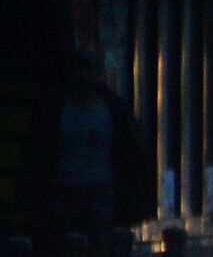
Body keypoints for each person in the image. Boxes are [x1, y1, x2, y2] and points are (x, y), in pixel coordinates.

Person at [41, 48, 154, 244]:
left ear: (98, 74)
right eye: (78, 70)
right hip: (65, 189)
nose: (83, 76)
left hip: (101, 190)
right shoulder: (57, 109)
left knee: (99, 246)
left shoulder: (112, 109)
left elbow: (132, 151)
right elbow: (42, 150)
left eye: (88, 70)